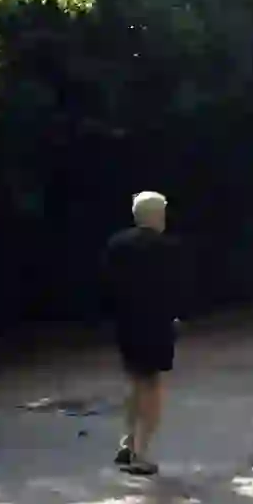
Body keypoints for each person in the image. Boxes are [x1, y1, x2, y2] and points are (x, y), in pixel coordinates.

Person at [102, 191, 188, 476]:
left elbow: (108, 286)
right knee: (152, 387)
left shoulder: (117, 245)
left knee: (136, 382)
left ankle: (127, 441)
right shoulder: (168, 248)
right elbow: (176, 288)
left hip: (126, 323)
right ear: (155, 215)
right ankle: (140, 451)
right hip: (157, 324)